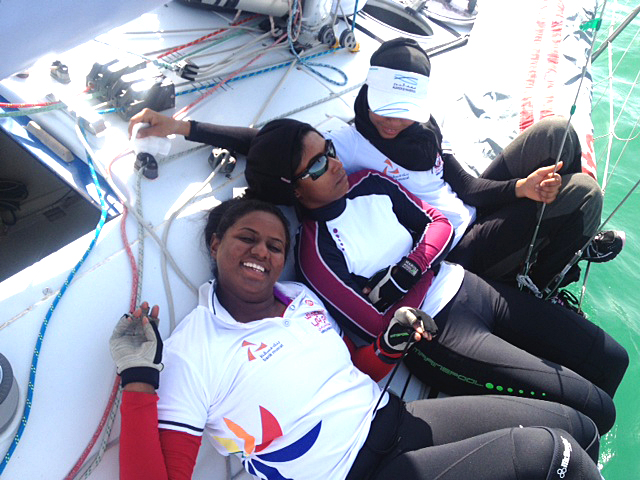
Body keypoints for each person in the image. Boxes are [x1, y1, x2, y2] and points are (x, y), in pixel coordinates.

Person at [110, 196, 605, 480]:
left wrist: (388, 346)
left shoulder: (299, 300)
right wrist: (137, 380)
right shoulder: (192, 350)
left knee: (578, 425)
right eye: (246, 238)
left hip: (393, 418)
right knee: (549, 456)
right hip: (349, 473)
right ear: (216, 243)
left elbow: (349, 371)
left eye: (274, 245)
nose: (262, 251)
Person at [127, 38, 625, 296]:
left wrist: (519, 188)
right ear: (368, 89)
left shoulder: (422, 129)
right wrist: (180, 128)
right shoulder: (342, 145)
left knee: (557, 132)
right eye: (382, 106)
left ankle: (554, 249)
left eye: (403, 110)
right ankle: (546, 275)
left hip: (464, 210)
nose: (390, 121)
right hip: (453, 249)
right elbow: (265, 144)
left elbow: (466, 187)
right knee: (584, 195)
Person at [238, 119, 627, 436]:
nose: (336, 164)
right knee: (597, 409)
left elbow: (439, 225)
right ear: (293, 191)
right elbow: (376, 324)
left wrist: (403, 275)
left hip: (469, 285)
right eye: (318, 166)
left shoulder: (369, 182)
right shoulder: (316, 254)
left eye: (330, 151)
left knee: (612, 360)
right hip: (437, 337)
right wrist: (419, 269)